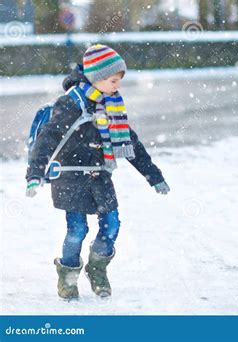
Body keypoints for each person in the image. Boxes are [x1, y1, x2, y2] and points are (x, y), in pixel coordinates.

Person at [25, 44, 170, 299]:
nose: (117, 86)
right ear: (96, 78)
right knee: (77, 230)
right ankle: (68, 278)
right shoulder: (71, 103)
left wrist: (153, 176)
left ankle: (97, 268)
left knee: (112, 225)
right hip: (70, 176)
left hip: (100, 175)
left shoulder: (110, 105)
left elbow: (130, 142)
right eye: (113, 80)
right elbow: (47, 139)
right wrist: (34, 174)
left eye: (118, 80)